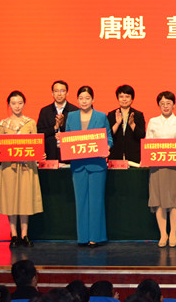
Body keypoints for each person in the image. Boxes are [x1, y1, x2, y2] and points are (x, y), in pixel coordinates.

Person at [0, 90, 43, 247]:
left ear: (24, 104)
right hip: (9, 167)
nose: (17, 106)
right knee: (10, 199)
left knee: (25, 199)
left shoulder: (30, 123)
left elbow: (36, 143)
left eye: (20, 103)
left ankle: (24, 234)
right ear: (9, 105)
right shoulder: (3, 124)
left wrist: (40, 153)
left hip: (27, 166)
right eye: (14, 103)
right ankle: (13, 234)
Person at [64, 86, 113, 247]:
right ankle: (83, 237)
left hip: (97, 165)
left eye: (87, 98)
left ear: (93, 100)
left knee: (96, 201)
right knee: (81, 201)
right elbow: (67, 138)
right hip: (78, 165)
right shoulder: (71, 116)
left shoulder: (101, 116)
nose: (84, 101)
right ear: (77, 100)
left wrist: (107, 148)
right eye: (81, 98)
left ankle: (96, 237)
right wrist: (60, 141)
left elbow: (109, 138)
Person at [147, 90, 176, 248]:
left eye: (168, 103)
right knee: (159, 201)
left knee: (174, 201)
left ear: (174, 104)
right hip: (157, 167)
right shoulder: (153, 122)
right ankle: (163, 234)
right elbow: (148, 142)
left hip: (175, 167)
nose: (165, 106)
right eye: (162, 104)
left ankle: (173, 233)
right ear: (158, 105)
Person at [36, 80, 79, 160]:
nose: (59, 94)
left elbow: (78, 133)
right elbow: (39, 133)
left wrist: (63, 133)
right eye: (56, 91)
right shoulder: (45, 111)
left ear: (67, 93)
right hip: (49, 155)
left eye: (62, 91)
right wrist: (54, 128)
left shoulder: (75, 111)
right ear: (52, 93)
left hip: (69, 155)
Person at [107, 84, 146, 164]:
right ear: (118, 98)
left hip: (133, 157)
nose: (124, 99)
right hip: (115, 156)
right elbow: (108, 135)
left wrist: (132, 125)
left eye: (127, 96)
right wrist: (117, 123)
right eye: (121, 97)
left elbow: (141, 135)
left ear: (132, 99)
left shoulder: (138, 115)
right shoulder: (111, 114)